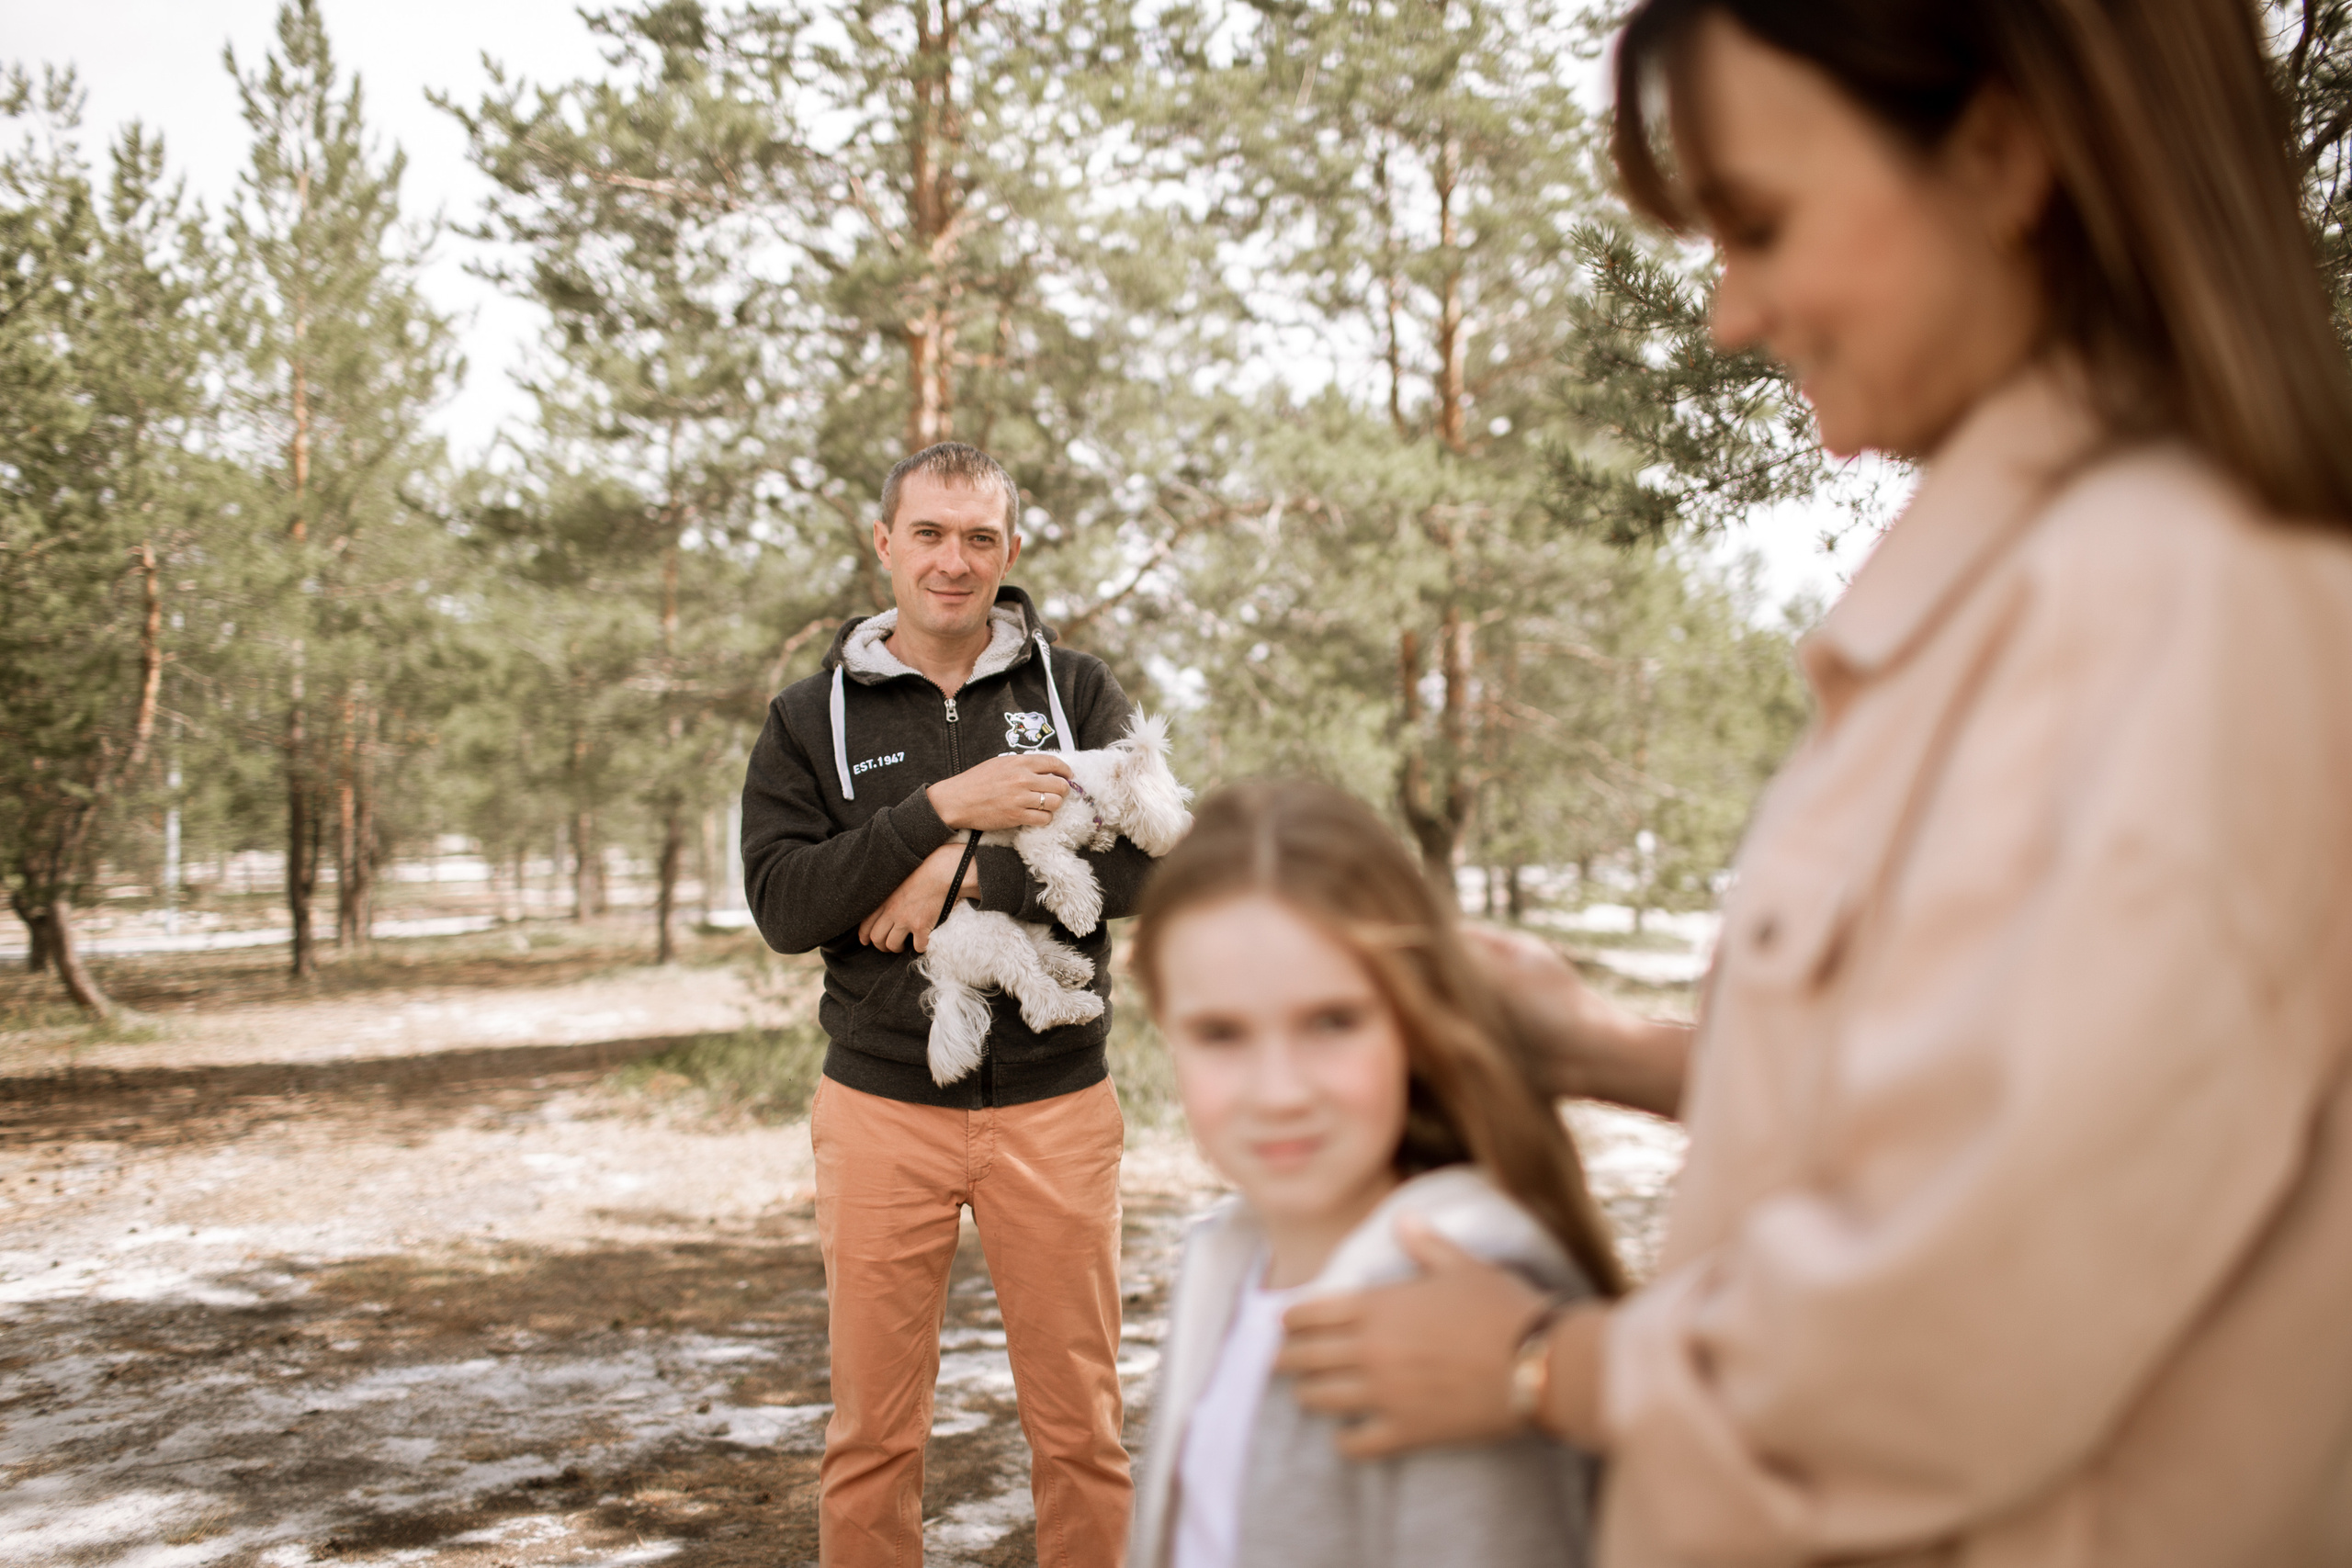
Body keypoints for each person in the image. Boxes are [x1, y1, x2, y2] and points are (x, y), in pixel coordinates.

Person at [1273, 3, 2352, 1564]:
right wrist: (1596, 1045)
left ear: (2004, 153)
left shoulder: (2173, 614)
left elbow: (1978, 1319)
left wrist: (1547, 1365)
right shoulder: (2034, 600)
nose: (1730, 314)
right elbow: (1984, 1101)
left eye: (1761, 228)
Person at [741, 442, 1150, 1568]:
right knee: (873, 1439)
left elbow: (1154, 870)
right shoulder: (808, 718)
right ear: (885, 543)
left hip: (1057, 1109)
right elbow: (784, 903)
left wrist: (967, 877)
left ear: (1009, 550)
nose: (952, 562)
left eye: (977, 538)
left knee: (1082, 1433)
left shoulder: (1074, 693)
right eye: (927, 534)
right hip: (882, 1110)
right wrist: (935, 815)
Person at [1123, 779, 1626, 1568]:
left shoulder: (1451, 1304)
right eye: (1220, 1033)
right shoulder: (1227, 1260)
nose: (1280, 1092)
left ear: (1410, 1023)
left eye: (1333, 1021)